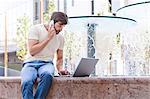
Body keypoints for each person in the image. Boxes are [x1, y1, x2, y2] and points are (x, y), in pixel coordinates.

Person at [21, 12, 69, 99]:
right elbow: (32, 51)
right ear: (52, 22)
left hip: (46, 64)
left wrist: (60, 69)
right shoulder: (36, 29)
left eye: (63, 26)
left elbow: (60, 58)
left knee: (48, 75)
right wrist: (48, 38)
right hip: (30, 63)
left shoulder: (60, 38)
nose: (61, 28)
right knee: (27, 82)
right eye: (60, 25)